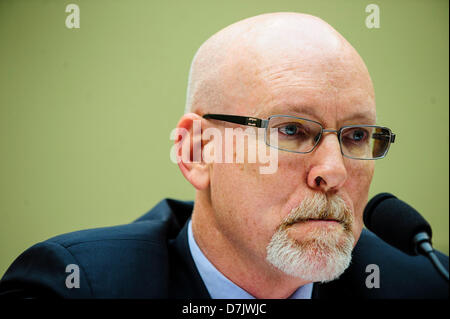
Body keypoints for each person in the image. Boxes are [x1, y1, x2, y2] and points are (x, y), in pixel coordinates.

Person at [0, 12, 447, 299]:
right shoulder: (77, 286)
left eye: (355, 136)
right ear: (197, 151)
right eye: (291, 129)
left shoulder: (424, 284)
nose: (333, 172)